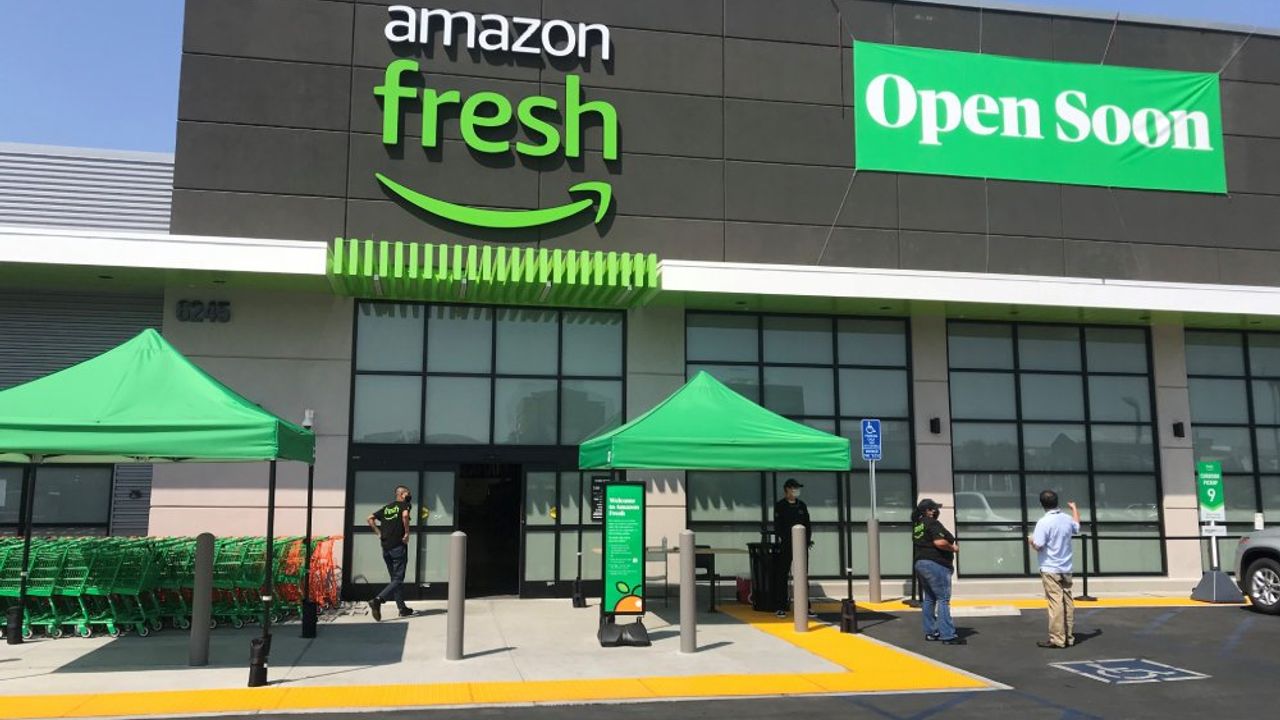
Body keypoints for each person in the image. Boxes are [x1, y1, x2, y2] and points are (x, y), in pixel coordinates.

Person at [1028, 490, 1081, 649]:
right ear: (1057, 502)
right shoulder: (1066, 519)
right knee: (1067, 601)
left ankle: (1057, 638)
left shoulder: (1043, 522)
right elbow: (1077, 527)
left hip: (1050, 567)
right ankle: (1068, 636)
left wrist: (1030, 541)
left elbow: (1039, 545)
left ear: (1042, 504)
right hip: (1066, 567)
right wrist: (1074, 509)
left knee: (1055, 603)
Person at [912, 498, 963, 645]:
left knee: (929, 599)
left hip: (921, 563)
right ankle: (947, 635)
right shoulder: (932, 523)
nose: (937, 511)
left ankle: (931, 632)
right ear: (929, 511)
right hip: (935, 564)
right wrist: (953, 548)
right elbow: (939, 542)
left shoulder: (918, 525)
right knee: (943, 599)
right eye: (934, 508)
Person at [367, 485, 415, 621]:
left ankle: (402, 608)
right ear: (401, 494)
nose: (409, 496)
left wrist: (379, 533)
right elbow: (405, 515)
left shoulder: (387, 508)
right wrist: (407, 533)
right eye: (407, 493)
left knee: (395, 580)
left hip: (386, 547)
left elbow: (369, 518)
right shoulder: (404, 505)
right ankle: (377, 600)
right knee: (398, 579)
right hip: (398, 546)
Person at [774, 478, 814, 618]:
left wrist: (806, 541)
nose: (796, 491)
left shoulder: (801, 505)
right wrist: (786, 539)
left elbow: (808, 524)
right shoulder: (780, 506)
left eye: (797, 488)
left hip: (801, 545)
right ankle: (780, 606)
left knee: (802, 575)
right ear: (787, 490)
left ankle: (805, 606)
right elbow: (778, 526)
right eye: (794, 488)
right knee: (782, 574)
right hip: (787, 545)